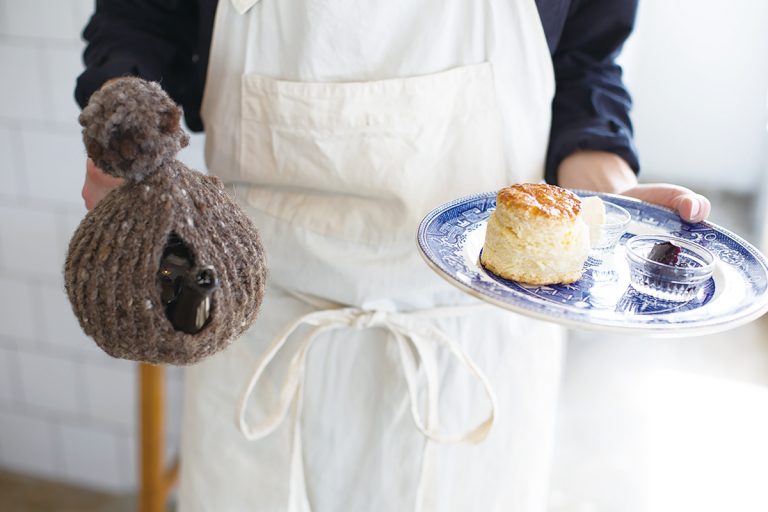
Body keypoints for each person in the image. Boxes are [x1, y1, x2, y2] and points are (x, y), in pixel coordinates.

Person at [76, 1, 711, 511]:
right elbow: (140, 18)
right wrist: (122, 136)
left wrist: (606, 198)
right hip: (262, 330)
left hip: (474, 337)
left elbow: (584, 58)